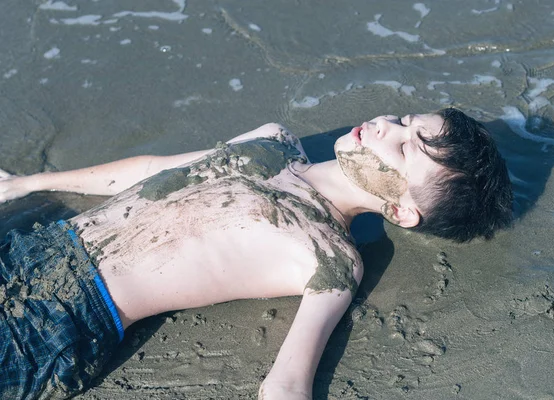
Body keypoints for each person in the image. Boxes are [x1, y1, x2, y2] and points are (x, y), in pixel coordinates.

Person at [0, 108, 512, 399]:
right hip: (38, 247)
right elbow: (149, 170)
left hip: (59, 319)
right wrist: (29, 184)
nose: (385, 125)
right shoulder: (273, 141)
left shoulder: (330, 258)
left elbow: (287, 380)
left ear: (401, 212)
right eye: (405, 119)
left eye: (403, 148)